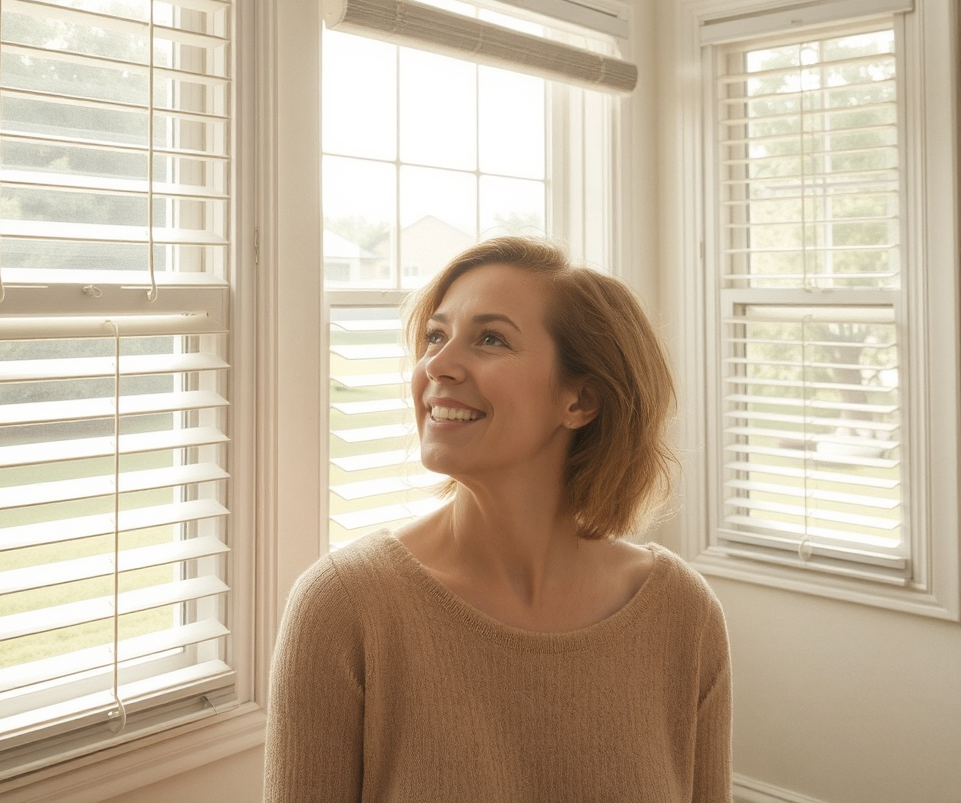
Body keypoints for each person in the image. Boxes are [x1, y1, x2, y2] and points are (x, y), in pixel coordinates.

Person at [263, 236, 732, 803]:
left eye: (490, 339)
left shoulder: (684, 614)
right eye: (435, 336)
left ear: (580, 400)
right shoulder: (343, 607)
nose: (436, 363)